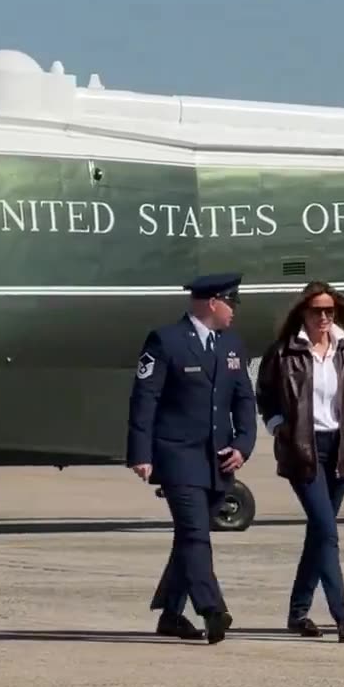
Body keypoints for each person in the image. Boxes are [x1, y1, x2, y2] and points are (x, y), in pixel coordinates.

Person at [127, 272, 256, 645]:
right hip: (177, 454)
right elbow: (144, 398)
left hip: (218, 458)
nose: (234, 310)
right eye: (230, 302)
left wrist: (243, 445)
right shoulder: (166, 341)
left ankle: (171, 614)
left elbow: (244, 399)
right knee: (196, 533)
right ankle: (212, 608)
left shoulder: (231, 344)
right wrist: (141, 453)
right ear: (212, 302)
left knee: (188, 536)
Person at [256, 281, 344, 643]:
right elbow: (266, 394)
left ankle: (298, 612)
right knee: (326, 530)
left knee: (319, 533)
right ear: (302, 313)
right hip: (303, 448)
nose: (324, 317)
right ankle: (342, 614)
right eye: (317, 310)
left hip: (342, 447)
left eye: (329, 311)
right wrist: (278, 427)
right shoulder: (283, 353)